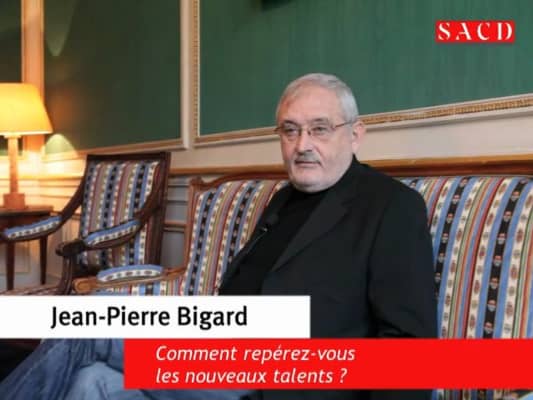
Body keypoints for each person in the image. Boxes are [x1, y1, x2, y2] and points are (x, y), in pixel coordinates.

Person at [0, 73, 436, 400]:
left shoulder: (390, 207)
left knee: (96, 321)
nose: (303, 144)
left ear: (355, 135)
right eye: (290, 130)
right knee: (91, 382)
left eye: (320, 128)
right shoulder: (285, 198)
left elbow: (410, 346)